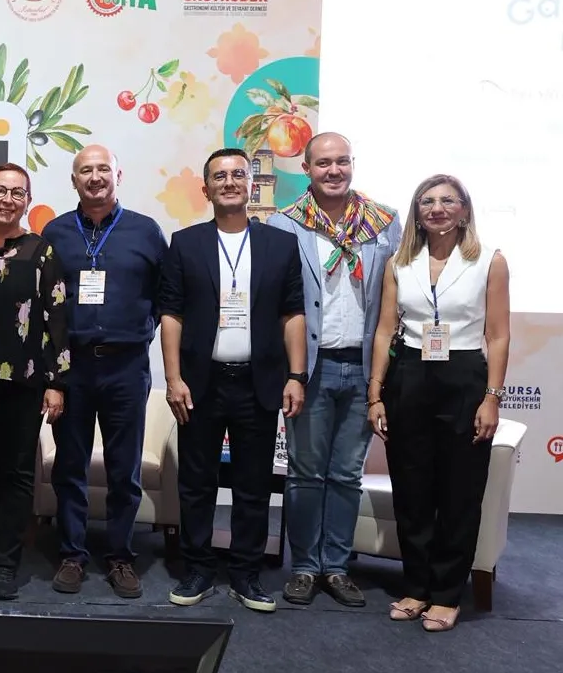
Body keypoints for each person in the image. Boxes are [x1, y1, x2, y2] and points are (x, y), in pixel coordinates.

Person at [159, 148, 306, 613]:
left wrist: (296, 375)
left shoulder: (279, 245)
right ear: (206, 189)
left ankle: (246, 573)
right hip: (200, 384)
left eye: (237, 174)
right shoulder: (185, 243)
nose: (229, 182)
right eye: (219, 176)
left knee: (253, 485)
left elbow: (292, 314)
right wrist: (173, 378)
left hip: (258, 383)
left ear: (250, 185)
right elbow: (171, 314)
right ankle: (198, 569)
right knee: (197, 483)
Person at [370, 175, 509, 634]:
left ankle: (448, 594)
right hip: (409, 376)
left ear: (464, 210)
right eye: (427, 201)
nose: (437, 208)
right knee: (412, 491)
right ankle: (416, 587)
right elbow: (385, 330)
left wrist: (491, 397)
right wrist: (375, 392)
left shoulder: (489, 260)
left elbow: (497, 335)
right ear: (417, 212)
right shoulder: (399, 262)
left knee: (459, 493)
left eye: (448, 200)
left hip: (464, 377)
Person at [268, 133, 401, 607]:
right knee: (305, 473)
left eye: (342, 161)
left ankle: (337, 567)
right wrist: (291, 372)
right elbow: (280, 302)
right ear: (306, 168)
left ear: (352, 164)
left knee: (346, 474)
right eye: (323, 163)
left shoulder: (384, 223)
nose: (334, 171)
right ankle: (305, 567)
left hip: (364, 368)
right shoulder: (285, 224)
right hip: (312, 368)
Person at [41, 145, 167, 598]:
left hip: (126, 367)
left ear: (118, 175)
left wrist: (139, 329)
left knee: (124, 468)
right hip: (72, 366)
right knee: (70, 466)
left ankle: (119, 556)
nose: (95, 177)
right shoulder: (55, 232)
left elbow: (165, 295)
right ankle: (72, 554)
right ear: (73, 180)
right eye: (85, 171)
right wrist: (53, 376)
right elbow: (45, 304)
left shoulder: (145, 231)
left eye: (103, 169)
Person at [0, 163, 70, 600]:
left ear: (27, 200)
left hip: (25, 381)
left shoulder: (41, 251)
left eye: (17, 193)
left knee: (17, 472)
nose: (7, 199)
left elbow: (57, 318)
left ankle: (6, 560)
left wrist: (56, 382)